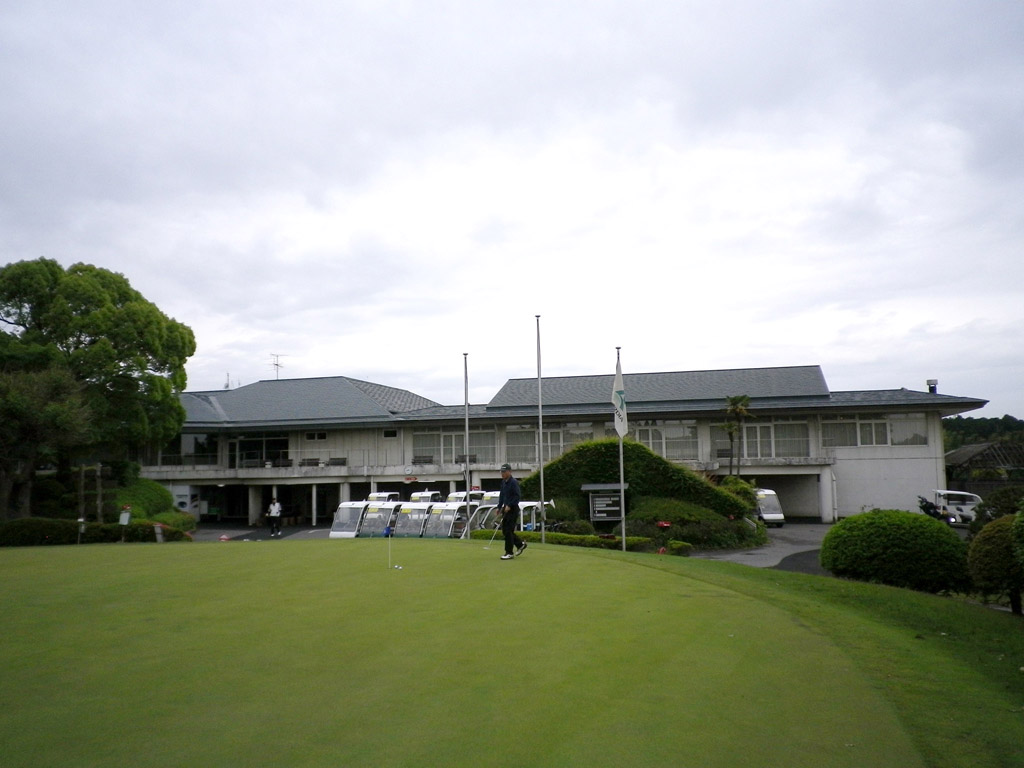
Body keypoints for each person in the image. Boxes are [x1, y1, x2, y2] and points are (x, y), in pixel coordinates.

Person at [497, 463, 526, 560]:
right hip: (505, 508)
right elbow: (502, 496)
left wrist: (510, 505)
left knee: (508, 531)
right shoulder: (503, 482)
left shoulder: (513, 482)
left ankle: (509, 552)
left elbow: (517, 496)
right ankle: (520, 544)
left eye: (504, 472)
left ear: (509, 472)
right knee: (505, 531)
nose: (502, 474)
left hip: (513, 509)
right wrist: (499, 507)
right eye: (502, 472)